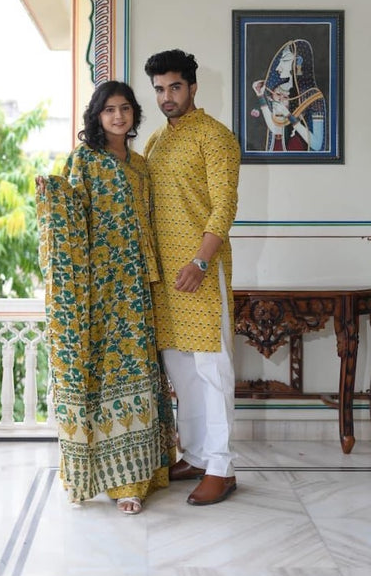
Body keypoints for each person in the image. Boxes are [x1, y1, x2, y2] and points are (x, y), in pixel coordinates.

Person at [36, 80, 175, 515]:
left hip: (138, 285)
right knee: (105, 374)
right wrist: (52, 195)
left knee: (140, 370)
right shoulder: (86, 161)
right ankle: (106, 479)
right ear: (97, 116)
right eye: (109, 109)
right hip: (100, 286)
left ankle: (138, 477)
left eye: (126, 109)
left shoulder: (140, 166)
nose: (118, 116)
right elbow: (73, 217)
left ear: (134, 115)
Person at [144, 49, 240, 506]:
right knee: (181, 370)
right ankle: (197, 454)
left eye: (175, 87)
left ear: (193, 86)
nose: (167, 97)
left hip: (200, 274)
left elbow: (224, 208)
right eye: (160, 89)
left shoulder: (216, 138)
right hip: (165, 278)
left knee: (211, 369)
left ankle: (221, 467)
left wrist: (200, 263)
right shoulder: (156, 142)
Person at [251, 39, 326, 152]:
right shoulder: (282, 89)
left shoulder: (314, 98)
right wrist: (261, 96)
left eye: (285, 61)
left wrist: (289, 116)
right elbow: (276, 129)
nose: (278, 68)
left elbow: (317, 145)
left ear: (298, 62)